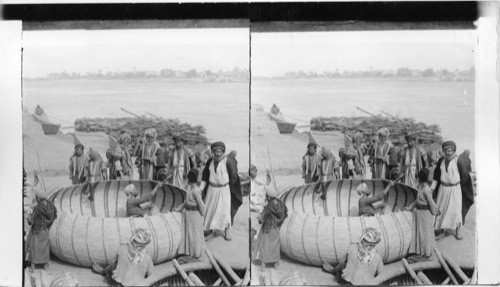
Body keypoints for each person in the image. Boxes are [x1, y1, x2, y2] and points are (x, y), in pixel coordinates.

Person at [431, 141, 474, 240]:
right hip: (443, 189)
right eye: (447, 150)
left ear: (454, 151)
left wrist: (458, 186)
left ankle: (458, 229)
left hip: (455, 189)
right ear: (444, 151)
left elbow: (465, 176)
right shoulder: (441, 160)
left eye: (451, 150)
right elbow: (436, 175)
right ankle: (440, 228)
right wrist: (432, 187)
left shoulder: (458, 161)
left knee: (456, 210)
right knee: (441, 209)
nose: (449, 152)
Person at [200, 141, 242, 241]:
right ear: (213, 152)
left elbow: (234, 177)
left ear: (223, 151)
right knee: (210, 209)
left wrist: (229, 189)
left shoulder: (228, 161)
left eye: (220, 151)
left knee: (225, 210)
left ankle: (227, 231)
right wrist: (201, 189)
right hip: (212, 189)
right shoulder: (210, 161)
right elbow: (205, 176)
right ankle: (210, 230)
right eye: (216, 151)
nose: (218, 153)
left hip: (224, 190)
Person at [405, 168, 440, 258]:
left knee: (426, 233)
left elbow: (430, 202)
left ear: (419, 179)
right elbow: (417, 201)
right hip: (420, 213)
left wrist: (435, 210)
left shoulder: (426, 190)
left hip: (425, 213)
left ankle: (427, 253)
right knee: (421, 233)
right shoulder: (422, 189)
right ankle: (422, 251)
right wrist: (409, 208)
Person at [252, 186, 288, 271]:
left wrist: (259, 217)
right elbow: (285, 215)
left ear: (268, 197)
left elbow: (261, 220)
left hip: (267, 229)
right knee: (275, 246)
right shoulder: (281, 205)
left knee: (264, 246)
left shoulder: (268, 207)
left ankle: (263, 266)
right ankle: (276, 264)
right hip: (276, 229)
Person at [174, 169, 206, 259]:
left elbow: (201, 205)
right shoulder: (191, 190)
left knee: (195, 234)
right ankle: (191, 253)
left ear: (189, 181)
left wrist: (202, 214)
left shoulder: (196, 191)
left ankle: (196, 254)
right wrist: (178, 209)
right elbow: (185, 203)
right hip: (189, 214)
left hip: (194, 215)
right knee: (190, 234)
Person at [26, 187, 58, 272]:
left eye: (36, 197)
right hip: (45, 229)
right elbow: (55, 215)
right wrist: (47, 223)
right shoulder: (51, 205)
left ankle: (33, 266)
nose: (35, 198)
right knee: (44, 246)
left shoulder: (38, 208)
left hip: (37, 230)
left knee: (34, 246)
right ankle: (45, 265)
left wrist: (28, 218)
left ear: (38, 198)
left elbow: (31, 221)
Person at [249, 165, 271, 243]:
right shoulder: (250, 183)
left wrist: (268, 174)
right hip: (253, 206)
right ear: (250, 172)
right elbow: (251, 198)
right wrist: (258, 204)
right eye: (254, 171)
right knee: (255, 227)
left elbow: (266, 183)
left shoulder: (256, 180)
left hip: (258, 205)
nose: (255, 173)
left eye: (256, 171)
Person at [457, 149, 474, 222]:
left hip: (458, 181)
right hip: (464, 182)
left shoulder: (458, 157)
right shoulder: (468, 160)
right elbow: (469, 171)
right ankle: (461, 218)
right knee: (464, 200)